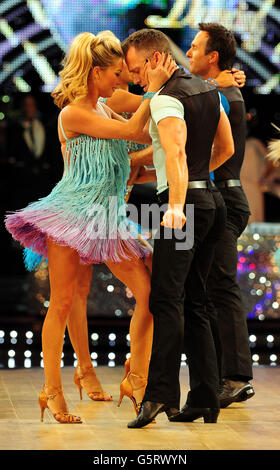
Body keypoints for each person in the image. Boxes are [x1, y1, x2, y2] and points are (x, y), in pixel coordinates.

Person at [5, 31, 176, 423]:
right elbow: (135, 132)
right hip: (72, 215)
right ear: (97, 73)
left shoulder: (104, 108)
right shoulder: (73, 113)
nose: (121, 80)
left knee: (149, 294)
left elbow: (136, 151)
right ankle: (52, 390)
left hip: (109, 218)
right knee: (63, 302)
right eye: (116, 73)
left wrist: (175, 156)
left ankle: (136, 376)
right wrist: (155, 89)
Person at [121, 28, 234, 428]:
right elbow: (225, 149)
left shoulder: (166, 98)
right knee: (196, 301)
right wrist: (191, 184)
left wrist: (174, 203)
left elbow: (176, 153)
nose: (134, 78)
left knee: (164, 301)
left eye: (136, 70)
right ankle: (205, 397)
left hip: (180, 209)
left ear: (154, 60)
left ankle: (158, 396)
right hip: (211, 202)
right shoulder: (206, 89)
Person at [177, 23, 254, 411]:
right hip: (219, 198)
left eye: (194, 47)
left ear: (214, 57)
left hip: (223, 197)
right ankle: (225, 375)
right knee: (209, 289)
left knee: (221, 286)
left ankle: (236, 377)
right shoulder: (218, 90)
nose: (187, 53)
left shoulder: (222, 94)